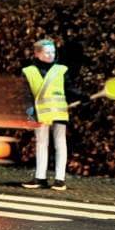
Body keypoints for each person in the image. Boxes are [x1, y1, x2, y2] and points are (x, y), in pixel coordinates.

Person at [21, 38, 80, 190]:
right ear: (37, 54)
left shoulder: (61, 70)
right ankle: (40, 177)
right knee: (42, 143)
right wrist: (30, 113)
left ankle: (60, 179)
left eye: (53, 52)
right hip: (40, 114)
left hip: (59, 112)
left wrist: (81, 96)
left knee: (60, 143)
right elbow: (26, 95)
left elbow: (69, 89)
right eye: (47, 52)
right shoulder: (29, 72)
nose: (51, 55)